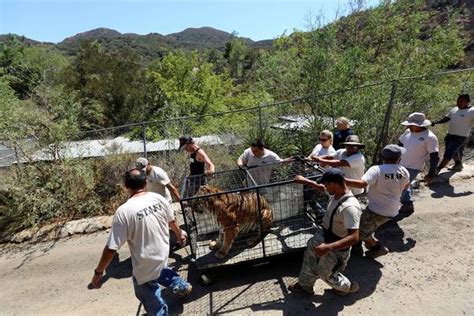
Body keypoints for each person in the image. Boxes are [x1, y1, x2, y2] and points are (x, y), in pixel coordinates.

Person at [90, 169, 191, 315]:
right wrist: (180, 234)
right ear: (146, 182)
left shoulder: (124, 211)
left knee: (144, 285)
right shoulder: (158, 199)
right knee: (159, 268)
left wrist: (98, 273)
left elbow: (111, 248)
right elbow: (172, 221)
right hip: (163, 253)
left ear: (126, 185)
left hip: (145, 263)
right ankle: (179, 284)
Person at [288, 169, 362, 296]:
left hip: (337, 246)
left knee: (326, 274)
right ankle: (305, 286)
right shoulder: (335, 193)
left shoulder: (350, 207)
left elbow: (354, 237)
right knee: (310, 255)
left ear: (334, 184)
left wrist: (328, 247)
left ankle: (346, 287)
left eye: (327, 184)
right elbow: (321, 187)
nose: (325, 187)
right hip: (325, 234)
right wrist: (304, 180)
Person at [345, 144, 410, 258]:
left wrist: (341, 179)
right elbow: (406, 186)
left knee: (360, 231)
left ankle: (378, 248)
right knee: (361, 218)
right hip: (393, 208)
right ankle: (359, 248)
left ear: (383, 157)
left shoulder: (377, 169)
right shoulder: (404, 170)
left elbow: (362, 183)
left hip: (378, 210)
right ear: (399, 158)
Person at [398, 112, 439, 213]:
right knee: (404, 185)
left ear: (419, 125)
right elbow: (400, 144)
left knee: (400, 187)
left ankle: (391, 210)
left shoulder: (430, 137)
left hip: (413, 167)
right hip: (400, 164)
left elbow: (434, 157)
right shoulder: (408, 131)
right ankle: (408, 204)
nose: (408, 126)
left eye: (411, 125)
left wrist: (431, 173)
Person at [432, 94, 474, 172]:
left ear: (468, 102)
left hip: (460, 137)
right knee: (453, 151)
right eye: (458, 101)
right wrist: (436, 122)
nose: (459, 103)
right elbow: (446, 118)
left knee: (448, 153)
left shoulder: (472, 111)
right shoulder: (454, 109)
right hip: (450, 134)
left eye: (462, 101)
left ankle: (437, 170)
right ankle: (458, 164)